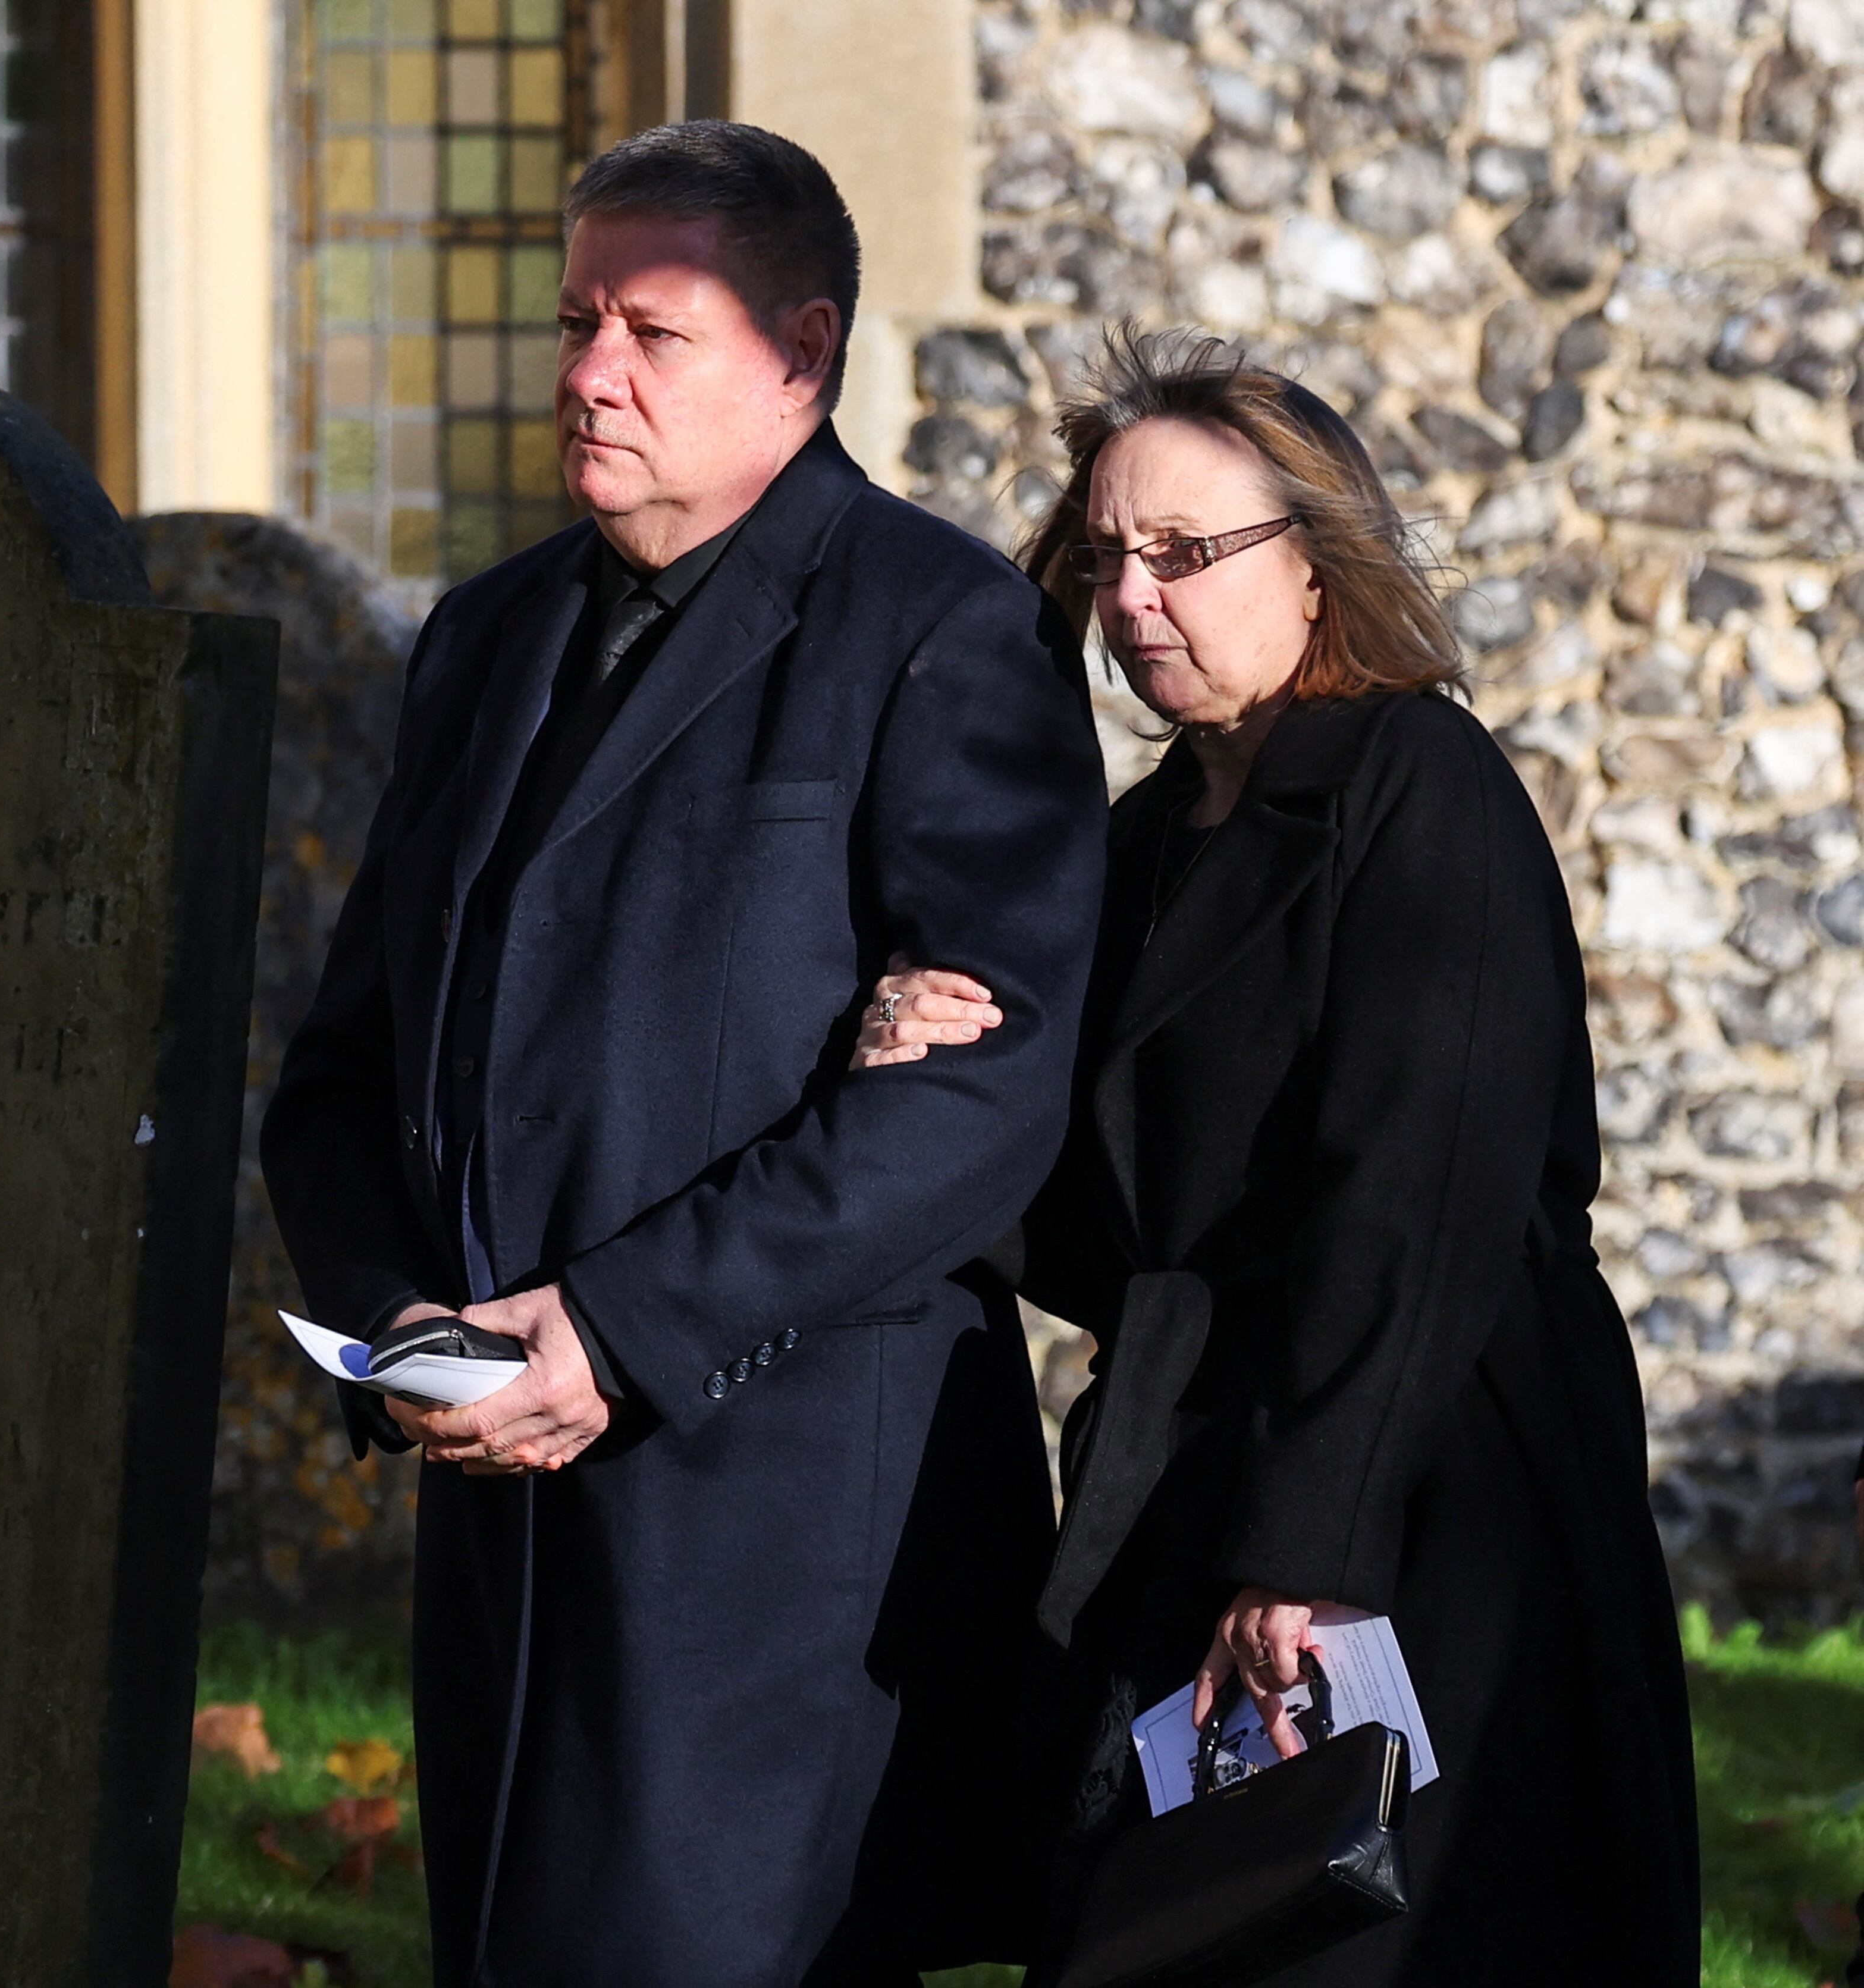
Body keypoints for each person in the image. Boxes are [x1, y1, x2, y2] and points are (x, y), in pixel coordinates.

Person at [259, 121, 1109, 1985]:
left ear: (802, 353)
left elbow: (984, 1096)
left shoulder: (943, 631)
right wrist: (405, 1327)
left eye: (654, 330)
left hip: (784, 1525)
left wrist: (623, 1333)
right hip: (505, 1507)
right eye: (578, 321)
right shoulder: (485, 637)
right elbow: (340, 1076)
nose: (588, 376)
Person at [855, 327, 1702, 1983]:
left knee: (1395, 1934)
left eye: (1187, 553)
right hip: (1202, 1463)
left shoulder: (1417, 784)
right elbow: (1115, 1230)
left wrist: (1310, 1548)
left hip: (1422, 1472)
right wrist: (938, 1071)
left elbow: (1421, 1192)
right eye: (1108, 556)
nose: (1134, 597)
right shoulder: (1147, 843)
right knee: (1175, 1920)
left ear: (1317, 565)